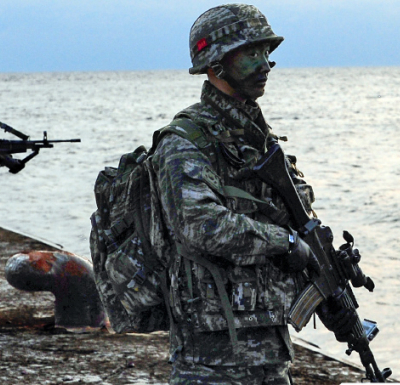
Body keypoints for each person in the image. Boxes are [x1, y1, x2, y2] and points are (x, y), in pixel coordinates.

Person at [150, 4, 353, 384]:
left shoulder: (259, 139)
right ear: (215, 64)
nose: (265, 64)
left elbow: (294, 226)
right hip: (210, 360)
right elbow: (199, 225)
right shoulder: (185, 141)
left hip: (269, 349)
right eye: (251, 53)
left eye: (266, 53)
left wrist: (326, 295)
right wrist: (287, 242)